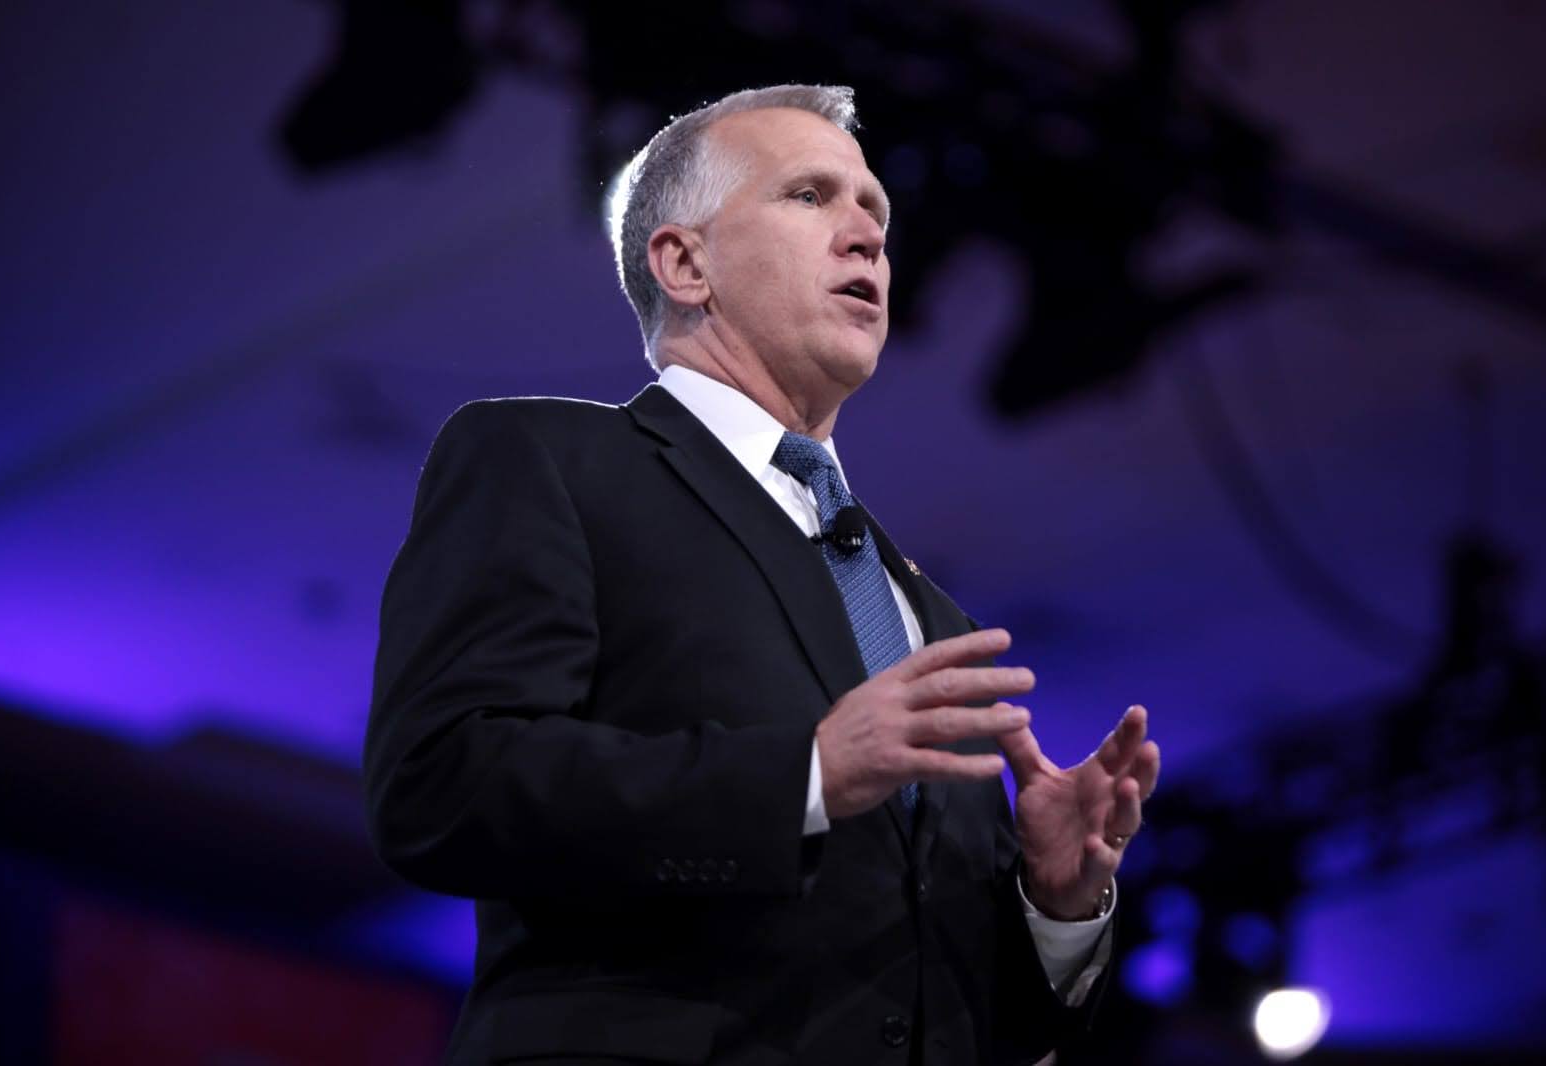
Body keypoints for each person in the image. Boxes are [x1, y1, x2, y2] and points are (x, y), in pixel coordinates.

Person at [364, 84, 1161, 1066]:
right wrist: (808, 775)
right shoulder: (550, 462)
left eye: (876, 213)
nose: (868, 236)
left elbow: (949, 1013)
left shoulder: (931, 621)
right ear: (684, 263)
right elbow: (442, 785)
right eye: (809, 196)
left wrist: (1053, 902)